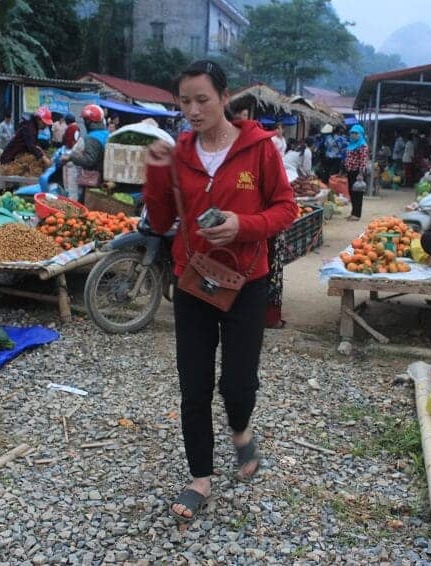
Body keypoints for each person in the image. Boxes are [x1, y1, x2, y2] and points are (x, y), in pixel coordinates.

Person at [141, 60, 296, 522]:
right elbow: (163, 219)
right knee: (194, 384)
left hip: (247, 281)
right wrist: (154, 173)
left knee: (238, 383)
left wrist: (244, 226)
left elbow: (286, 208)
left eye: (201, 99)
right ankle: (199, 479)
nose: (191, 110)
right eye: (184, 101)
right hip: (192, 281)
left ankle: (242, 430)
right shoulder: (177, 153)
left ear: (225, 98)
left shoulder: (260, 149)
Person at [61, 104, 107, 188]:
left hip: (94, 179)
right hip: (104, 175)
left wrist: (70, 157)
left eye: (85, 120)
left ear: (89, 121)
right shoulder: (105, 133)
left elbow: (89, 160)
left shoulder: (92, 137)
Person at [344, 124, 369, 221]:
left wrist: (361, 174)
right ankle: (353, 212)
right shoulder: (351, 144)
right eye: (352, 133)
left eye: (356, 133)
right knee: (351, 193)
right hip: (350, 172)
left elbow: (363, 161)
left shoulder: (363, 146)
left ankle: (357, 214)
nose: (353, 135)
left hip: (357, 173)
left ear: (361, 134)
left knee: (357, 194)